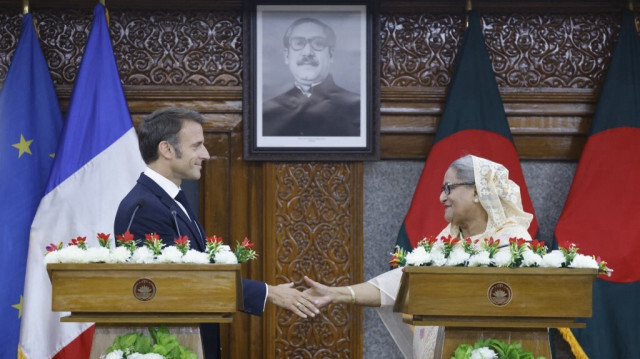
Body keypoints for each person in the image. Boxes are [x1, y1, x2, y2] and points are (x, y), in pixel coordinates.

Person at [114, 107, 320, 359]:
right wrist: (270, 293)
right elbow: (179, 282)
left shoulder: (168, 199)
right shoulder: (145, 207)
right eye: (197, 146)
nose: (207, 155)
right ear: (166, 149)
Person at [304, 155, 534, 358]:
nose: (442, 198)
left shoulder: (513, 243)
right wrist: (336, 293)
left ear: (476, 191)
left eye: (448, 188)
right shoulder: (447, 242)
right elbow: (400, 283)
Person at [262, 17, 360, 137]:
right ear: (287, 56)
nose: (307, 52)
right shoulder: (265, 112)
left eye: (318, 43)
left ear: (331, 54)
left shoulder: (358, 108)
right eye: (298, 43)